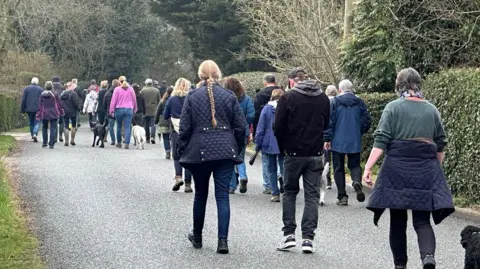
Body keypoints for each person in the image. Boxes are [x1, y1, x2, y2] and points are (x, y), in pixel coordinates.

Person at [364, 68, 454, 269]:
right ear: (418, 84)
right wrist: (434, 170)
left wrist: (368, 167)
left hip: (397, 168)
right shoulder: (431, 109)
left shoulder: (393, 108)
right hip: (425, 167)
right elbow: (440, 144)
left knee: (397, 220)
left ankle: (400, 265)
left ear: (399, 85)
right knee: (422, 220)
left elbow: (381, 141)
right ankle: (428, 257)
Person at [177, 60, 246, 254]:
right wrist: (237, 148)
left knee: (200, 195)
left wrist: (181, 150)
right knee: (222, 196)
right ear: (218, 75)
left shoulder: (192, 96)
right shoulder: (228, 96)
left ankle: (197, 237)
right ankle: (222, 241)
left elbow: (184, 128)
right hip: (225, 150)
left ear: (200, 75)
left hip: (200, 151)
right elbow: (240, 127)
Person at [274, 67, 330, 253]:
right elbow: (327, 123)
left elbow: (278, 126)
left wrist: (283, 148)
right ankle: (308, 239)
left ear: (292, 81)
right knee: (312, 196)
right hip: (315, 152)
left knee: (289, 192)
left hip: (293, 153)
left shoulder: (287, 97)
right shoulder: (322, 98)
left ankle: (289, 235)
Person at [323, 80, 371, 206]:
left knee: (338, 168)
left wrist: (327, 139)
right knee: (355, 165)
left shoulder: (334, 102)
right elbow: (367, 120)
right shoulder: (359, 102)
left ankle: (342, 196)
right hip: (354, 139)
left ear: (340, 90)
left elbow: (330, 122)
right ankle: (356, 181)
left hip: (337, 140)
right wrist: (359, 131)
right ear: (352, 89)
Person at [223, 77, 254, 194]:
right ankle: (243, 176)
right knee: (240, 156)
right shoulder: (246, 99)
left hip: (228, 132)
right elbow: (251, 114)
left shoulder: (224, 99)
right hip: (242, 131)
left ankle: (232, 186)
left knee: (230, 159)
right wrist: (245, 123)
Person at [253, 74, 281, 194]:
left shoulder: (259, 96)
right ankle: (281, 176)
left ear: (265, 83)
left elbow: (255, 117)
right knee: (282, 160)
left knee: (267, 162)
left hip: (266, 134)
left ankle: (269, 185)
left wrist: (256, 136)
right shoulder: (284, 94)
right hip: (282, 137)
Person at [164, 78, 193, 192]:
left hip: (176, 130)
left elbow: (165, 114)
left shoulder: (171, 99)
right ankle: (188, 183)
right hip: (189, 130)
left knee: (177, 156)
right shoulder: (190, 98)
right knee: (189, 157)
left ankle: (178, 177)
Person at [256, 89, 285, 202]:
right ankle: (286, 187)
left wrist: (258, 143)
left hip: (269, 142)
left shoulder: (266, 109)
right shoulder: (286, 108)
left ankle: (275, 193)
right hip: (284, 142)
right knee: (284, 167)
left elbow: (261, 127)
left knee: (271, 168)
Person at [109, 76, 137, 149]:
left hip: (119, 109)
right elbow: (134, 99)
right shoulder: (131, 89)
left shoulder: (117, 89)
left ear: (119, 81)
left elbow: (113, 100)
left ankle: (119, 142)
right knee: (127, 126)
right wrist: (135, 108)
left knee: (118, 125)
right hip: (129, 109)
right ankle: (127, 143)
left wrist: (111, 110)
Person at [36, 81, 64, 149]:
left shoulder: (42, 94)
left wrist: (38, 113)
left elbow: (40, 105)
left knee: (44, 127)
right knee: (53, 128)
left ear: (45, 86)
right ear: (52, 87)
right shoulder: (55, 94)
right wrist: (61, 111)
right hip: (53, 112)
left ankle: (44, 142)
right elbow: (58, 104)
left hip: (44, 112)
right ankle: (51, 143)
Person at [323, 85, 338, 189]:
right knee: (337, 158)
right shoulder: (338, 102)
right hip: (338, 133)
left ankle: (328, 181)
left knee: (326, 157)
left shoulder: (323, 103)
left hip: (326, 133)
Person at [21, 77, 44, 142]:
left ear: (31, 82)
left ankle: (32, 134)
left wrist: (22, 110)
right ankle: (34, 133)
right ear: (37, 82)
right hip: (38, 108)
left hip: (29, 108)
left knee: (31, 122)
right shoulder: (40, 89)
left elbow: (24, 100)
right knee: (37, 122)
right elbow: (43, 100)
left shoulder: (27, 89)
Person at [155, 86, 174, 159]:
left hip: (163, 121)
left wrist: (156, 121)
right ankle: (173, 151)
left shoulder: (162, 101)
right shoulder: (175, 100)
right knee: (173, 138)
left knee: (165, 137)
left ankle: (167, 152)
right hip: (173, 120)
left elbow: (158, 112)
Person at [141, 78, 161, 144]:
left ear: (146, 83)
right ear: (152, 83)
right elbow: (159, 101)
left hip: (145, 109)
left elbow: (141, 100)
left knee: (146, 125)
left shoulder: (143, 91)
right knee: (153, 124)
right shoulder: (157, 90)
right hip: (154, 109)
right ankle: (152, 137)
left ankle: (147, 138)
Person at [104, 79, 120, 145]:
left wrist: (107, 110)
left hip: (110, 112)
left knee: (111, 127)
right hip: (118, 110)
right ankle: (119, 140)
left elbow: (104, 103)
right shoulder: (120, 92)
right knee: (119, 126)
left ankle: (113, 140)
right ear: (118, 84)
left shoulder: (107, 93)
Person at [52, 76, 65, 142]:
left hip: (53, 106)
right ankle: (60, 135)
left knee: (55, 122)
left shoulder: (51, 88)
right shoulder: (62, 87)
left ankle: (55, 137)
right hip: (61, 106)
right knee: (62, 122)